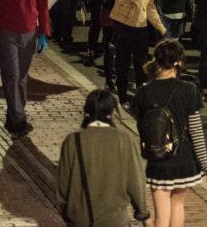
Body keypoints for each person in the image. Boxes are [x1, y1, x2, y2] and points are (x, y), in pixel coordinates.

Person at [131, 39, 207, 226]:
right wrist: (206, 164)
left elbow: (145, 128)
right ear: (178, 62)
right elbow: (196, 131)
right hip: (182, 157)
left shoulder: (143, 93)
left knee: (161, 214)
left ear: (157, 61)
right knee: (178, 205)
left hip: (157, 158)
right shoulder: (189, 90)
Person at [57, 89, 150, 226]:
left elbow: (63, 184)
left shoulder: (72, 141)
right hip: (114, 219)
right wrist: (142, 212)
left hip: (80, 218)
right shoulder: (124, 139)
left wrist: (69, 213)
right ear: (112, 112)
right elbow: (135, 180)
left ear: (86, 112)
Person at [0, 0, 50, 136]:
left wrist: (43, 32)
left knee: (22, 78)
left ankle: (14, 114)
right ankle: (19, 119)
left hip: (29, 33)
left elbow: (43, 5)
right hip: (6, 33)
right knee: (12, 75)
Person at [108, 0, 167, 106]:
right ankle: (122, 97)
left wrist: (161, 28)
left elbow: (150, 7)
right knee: (123, 64)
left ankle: (141, 98)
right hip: (124, 27)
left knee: (142, 66)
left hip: (141, 29)